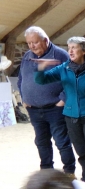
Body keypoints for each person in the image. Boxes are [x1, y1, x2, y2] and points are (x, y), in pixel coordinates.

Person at [34, 36, 85, 185]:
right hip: (71, 116)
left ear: (84, 50)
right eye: (69, 48)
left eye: (74, 47)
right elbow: (41, 80)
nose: (70, 51)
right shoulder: (64, 68)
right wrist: (40, 67)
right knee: (81, 151)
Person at [17, 26, 76, 177]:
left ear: (45, 40)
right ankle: (46, 171)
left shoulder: (61, 55)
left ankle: (69, 172)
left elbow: (73, 79)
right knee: (41, 142)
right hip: (34, 109)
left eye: (35, 42)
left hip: (55, 108)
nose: (31, 46)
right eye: (29, 43)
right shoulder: (27, 56)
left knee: (61, 141)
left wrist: (62, 99)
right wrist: (24, 98)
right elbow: (21, 79)